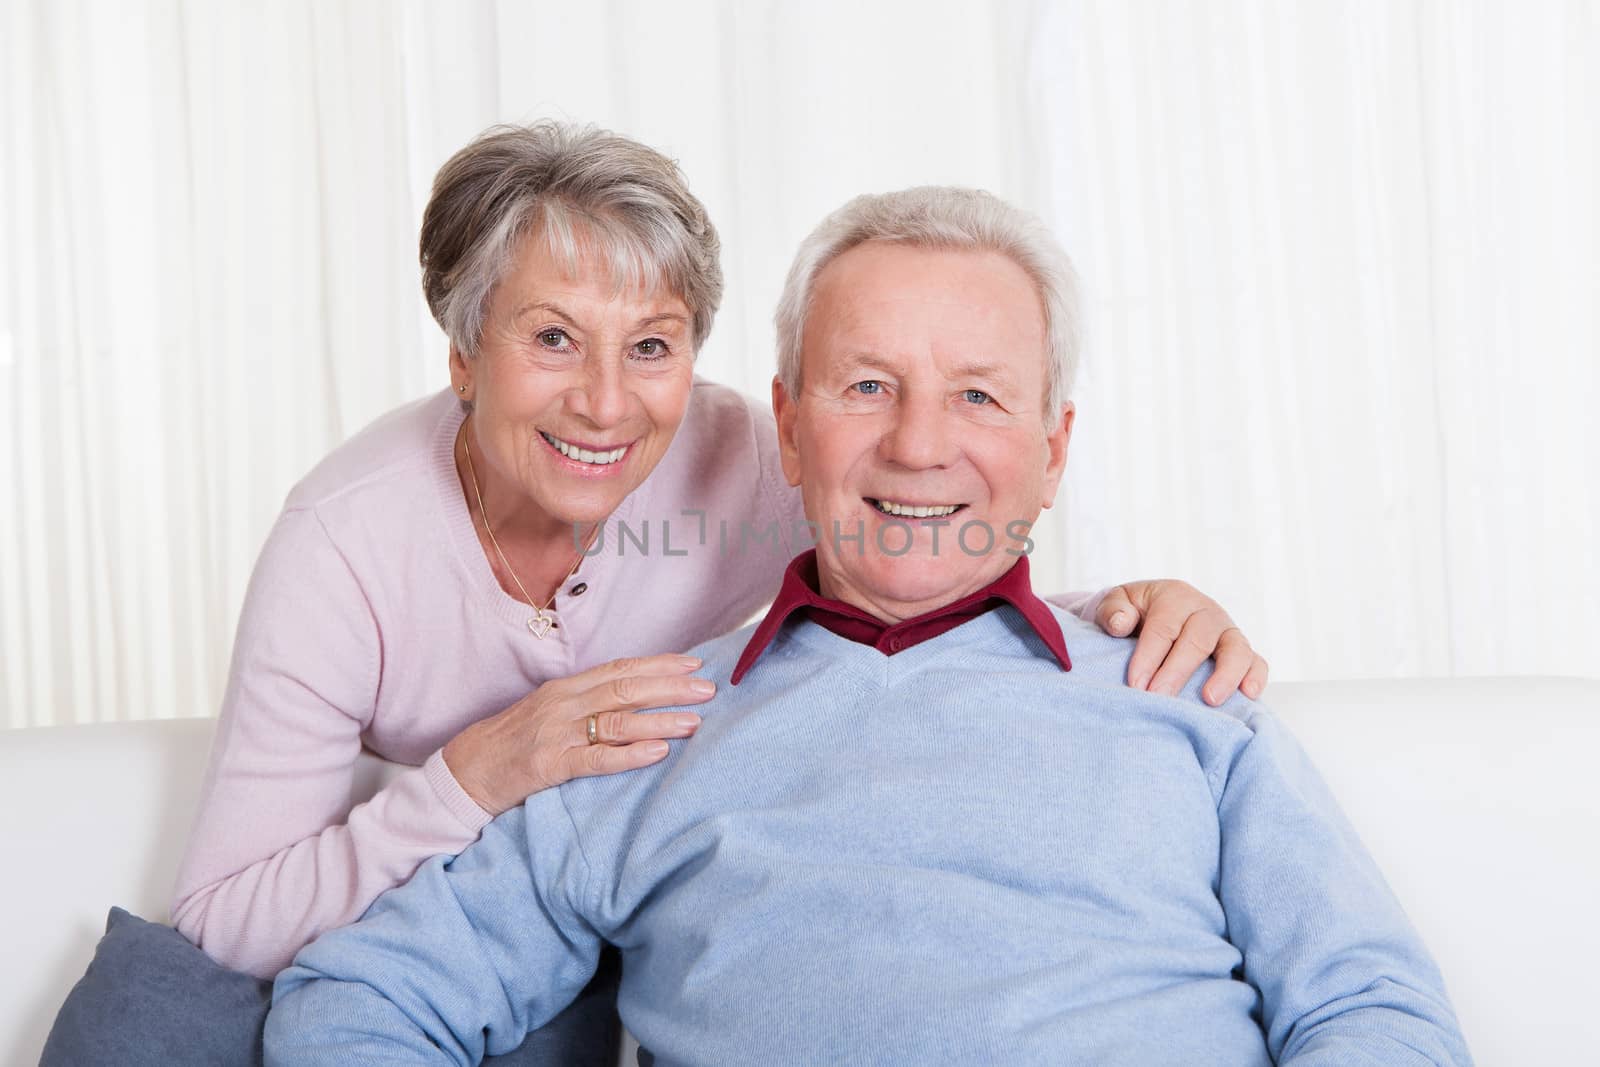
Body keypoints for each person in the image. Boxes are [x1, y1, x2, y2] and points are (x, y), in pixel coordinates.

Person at [264, 187, 1469, 1065]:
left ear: (1051, 451)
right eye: (867, 386)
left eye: (980, 396)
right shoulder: (646, 725)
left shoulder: (1180, 689)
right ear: (787, 431)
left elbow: (1371, 1006)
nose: (919, 443)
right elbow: (359, 1001)